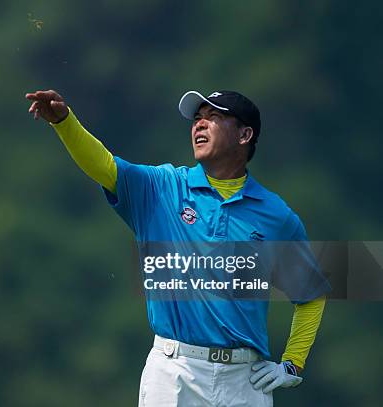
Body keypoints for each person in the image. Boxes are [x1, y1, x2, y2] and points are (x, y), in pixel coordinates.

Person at [25, 89, 329, 406]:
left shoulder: (276, 215)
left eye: (214, 118)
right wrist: (64, 122)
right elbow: (103, 165)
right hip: (175, 373)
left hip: (246, 381)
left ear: (245, 134)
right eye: (197, 119)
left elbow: (310, 293)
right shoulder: (162, 187)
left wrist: (292, 362)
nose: (199, 125)